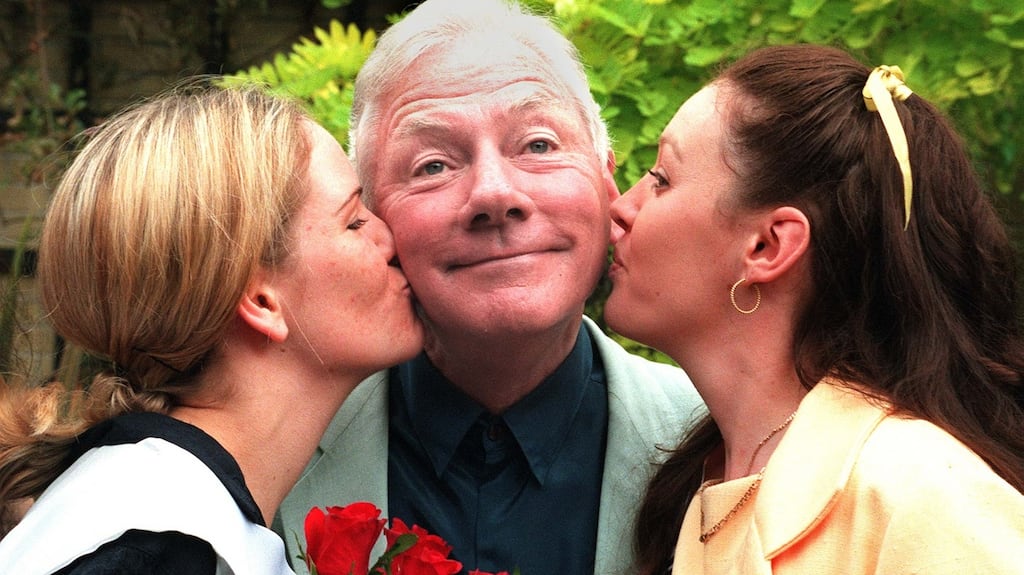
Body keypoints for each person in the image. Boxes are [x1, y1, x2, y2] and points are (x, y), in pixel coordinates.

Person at [274, 1, 702, 574]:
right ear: (372, 219)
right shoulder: (275, 456)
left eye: (539, 145)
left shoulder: (719, 443)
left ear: (607, 179)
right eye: (432, 166)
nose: (495, 195)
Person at [605, 43, 1024, 574]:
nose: (621, 207)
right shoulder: (699, 480)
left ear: (768, 247)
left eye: (661, 178)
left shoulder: (924, 496)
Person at [0, 83, 423, 573]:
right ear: (261, 301)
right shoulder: (159, 547)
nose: (389, 236)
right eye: (353, 221)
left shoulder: (166, 515)